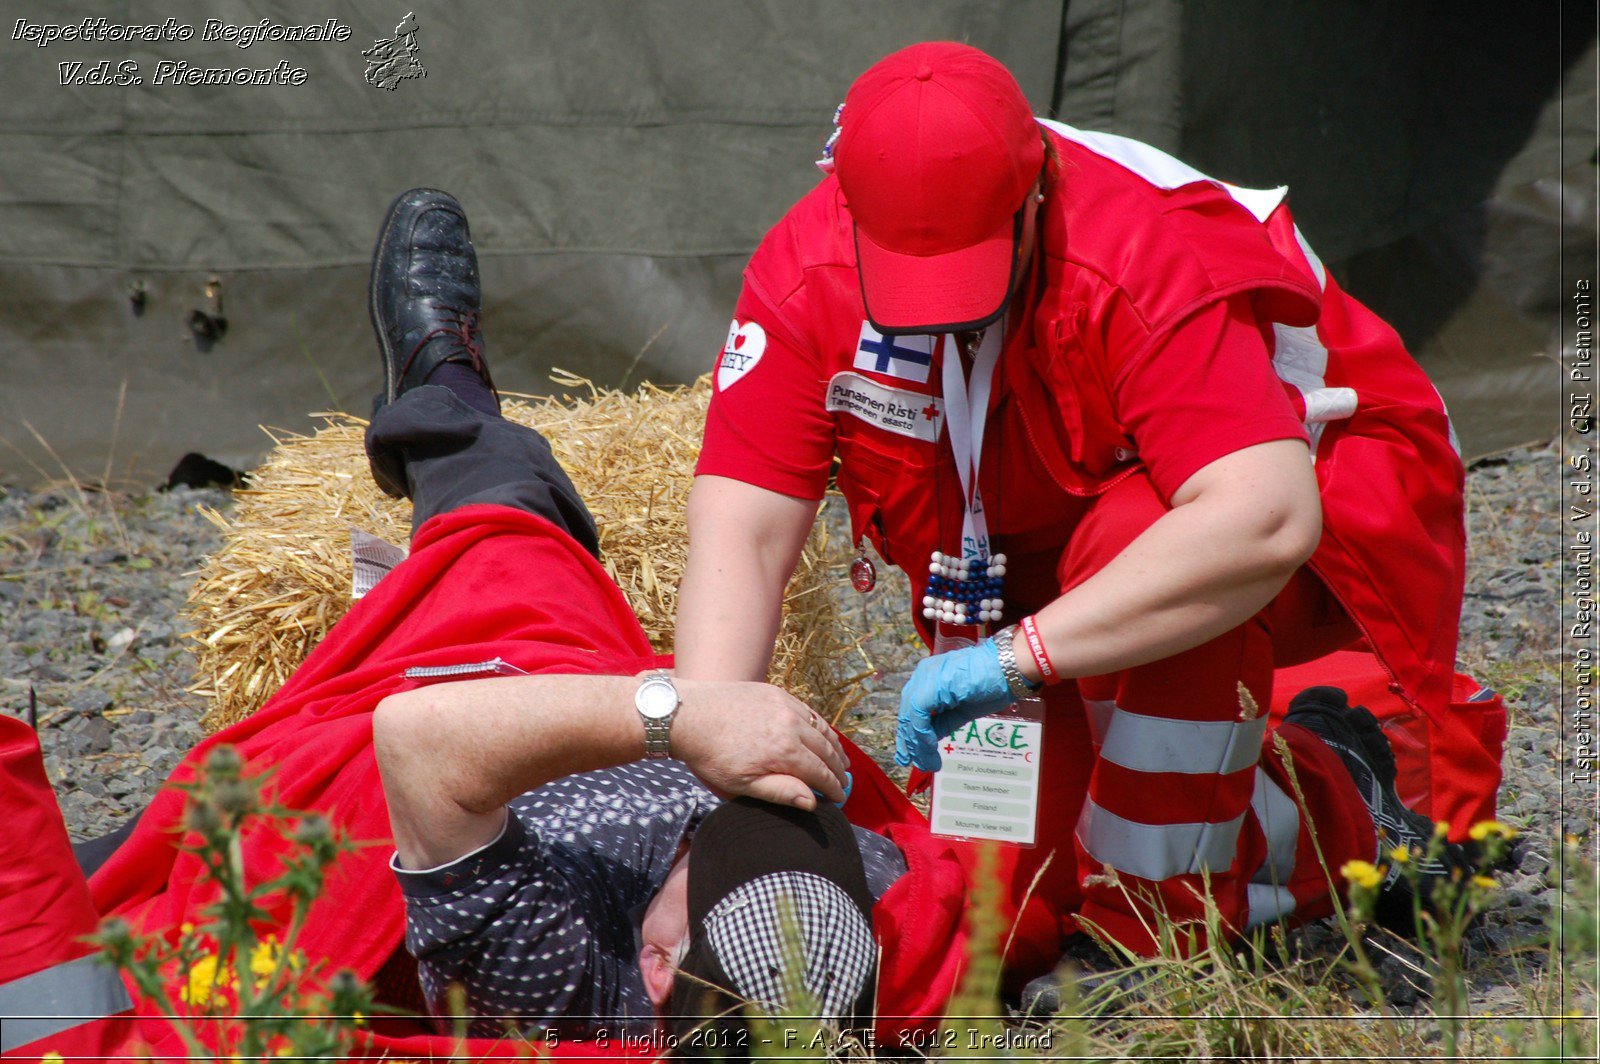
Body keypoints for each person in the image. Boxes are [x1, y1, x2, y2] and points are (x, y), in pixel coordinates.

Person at [0, 189, 980, 1059]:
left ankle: (444, 390)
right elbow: (969, 884)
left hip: (429, 747)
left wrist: (678, 711)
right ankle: (444, 399)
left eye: (710, 854)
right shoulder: (860, 950)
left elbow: (417, 743)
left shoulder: (563, 990)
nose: (731, 817)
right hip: (585, 684)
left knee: (493, 556)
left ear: (653, 963)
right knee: (536, 573)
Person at [675, 41, 1502, 980]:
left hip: (1298, 505)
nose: (940, 316)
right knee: (994, 915)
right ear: (846, 209)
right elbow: (741, 528)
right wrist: (705, 735)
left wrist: (1018, 655)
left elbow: (1262, 518)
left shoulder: (1137, 248)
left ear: (1031, 199)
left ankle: (1156, 947)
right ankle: (1338, 794)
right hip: (1045, 553)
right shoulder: (805, 264)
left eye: (965, 277)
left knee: (1135, 545)